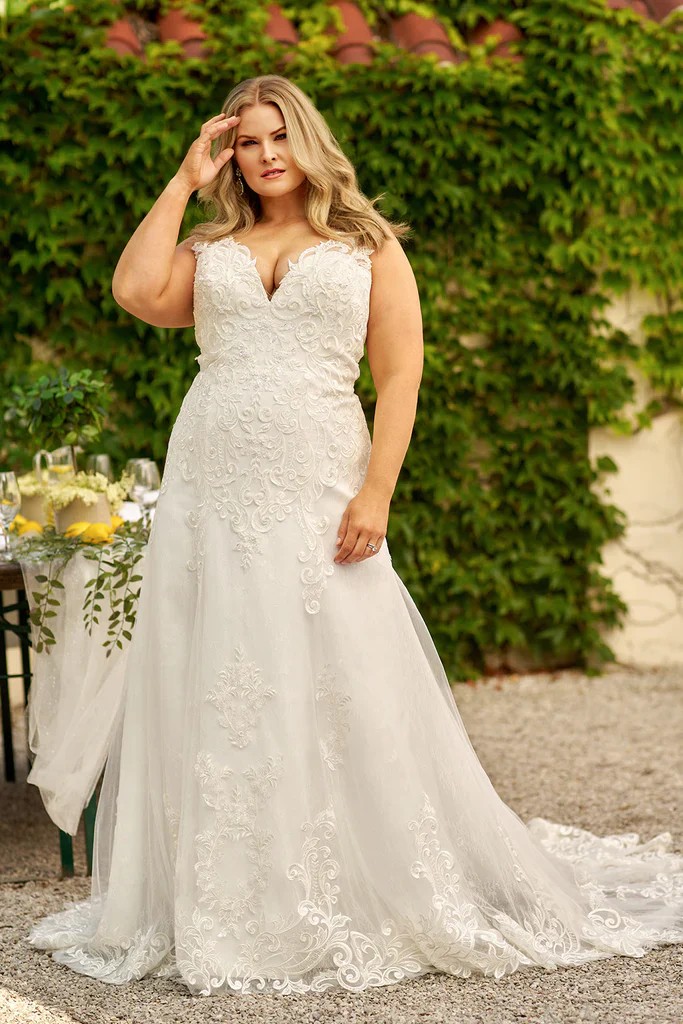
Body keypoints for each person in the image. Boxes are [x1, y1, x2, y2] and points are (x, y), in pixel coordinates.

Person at [25, 74, 683, 997]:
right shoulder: (212, 248)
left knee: (336, 666)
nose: (266, 154)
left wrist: (375, 492)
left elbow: (401, 376)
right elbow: (135, 288)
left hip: (318, 480)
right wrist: (181, 180)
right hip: (211, 486)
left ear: (307, 139)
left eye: (279, 135)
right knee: (220, 670)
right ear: (232, 154)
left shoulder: (366, 245)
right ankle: (227, 894)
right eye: (248, 141)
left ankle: (355, 879)